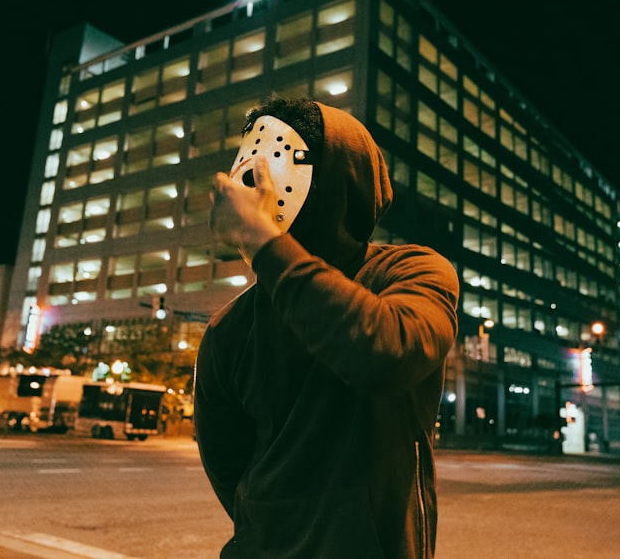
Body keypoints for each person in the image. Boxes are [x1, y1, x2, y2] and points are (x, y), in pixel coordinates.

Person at [195, 94, 459, 558]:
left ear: (337, 180)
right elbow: (227, 465)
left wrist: (262, 239)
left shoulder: (413, 272)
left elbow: (388, 352)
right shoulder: (228, 329)